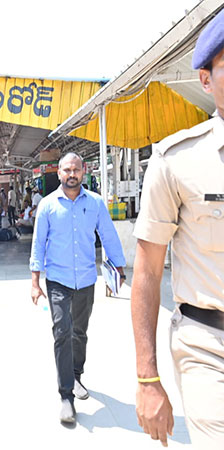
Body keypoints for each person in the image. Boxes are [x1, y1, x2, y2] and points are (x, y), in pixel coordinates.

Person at [131, 13, 224, 448]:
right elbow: (147, 270)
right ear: (205, 79)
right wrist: (148, 379)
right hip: (209, 347)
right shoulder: (177, 162)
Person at [30, 153, 125, 424]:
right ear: (58, 173)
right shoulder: (48, 205)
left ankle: (76, 375)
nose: (71, 174)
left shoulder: (95, 203)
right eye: (66, 170)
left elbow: (108, 234)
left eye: (76, 170)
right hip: (57, 279)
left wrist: (118, 267)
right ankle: (66, 396)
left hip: (85, 279)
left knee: (79, 332)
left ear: (84, 171)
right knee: (62, 331)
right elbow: (38, 243)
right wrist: (35, 282)